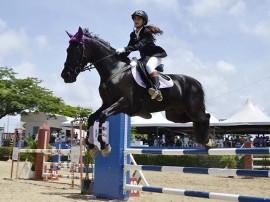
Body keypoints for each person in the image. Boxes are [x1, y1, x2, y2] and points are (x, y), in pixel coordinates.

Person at [116, 10, 167, 101]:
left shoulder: (146, 31)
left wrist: (124, 49)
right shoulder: (133, 34)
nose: (136, 20)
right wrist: (119, 56)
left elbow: (140, 45)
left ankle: (157, 90)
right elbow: (129, 48)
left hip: (155, 56)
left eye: (139, 19)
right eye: (135, 19)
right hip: (145, 57)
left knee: (149, 66)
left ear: (144, 21)